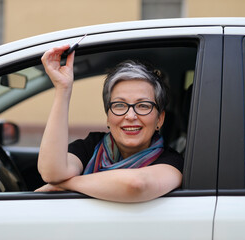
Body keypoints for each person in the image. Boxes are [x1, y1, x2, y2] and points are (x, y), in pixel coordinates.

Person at [35, 44, 183, 203]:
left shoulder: (172, 161)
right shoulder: (91, 146)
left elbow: (136, 185)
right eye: (119, 105)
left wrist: (65, 184)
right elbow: (51, 172)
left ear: (159, 119)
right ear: (108, 116)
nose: (130, 115)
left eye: (143, 106)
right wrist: (63, 89)